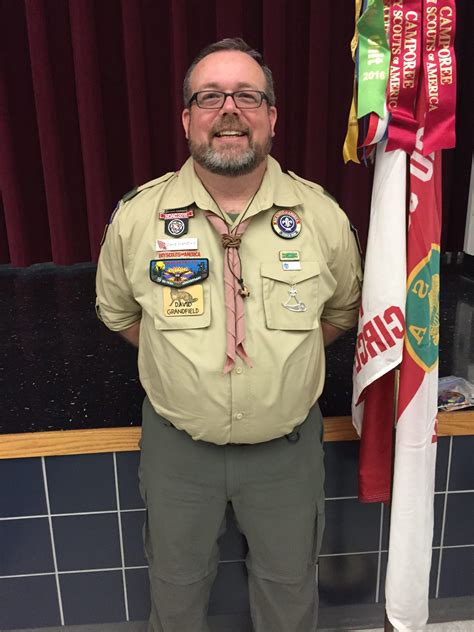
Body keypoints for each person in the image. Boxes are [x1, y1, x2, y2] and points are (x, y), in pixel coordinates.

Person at [96, 38, 362, 632]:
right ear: (187, 118)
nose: (229, 110)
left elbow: (342, 310)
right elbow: (119, 314)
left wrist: (279, 367)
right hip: (178, 453)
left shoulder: (321, 219)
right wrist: (180, 359)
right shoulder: (139, 218)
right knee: (176, 592)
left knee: (290, 593)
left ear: (271, 116)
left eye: (247, 95)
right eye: (210, 96)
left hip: (285, 454)